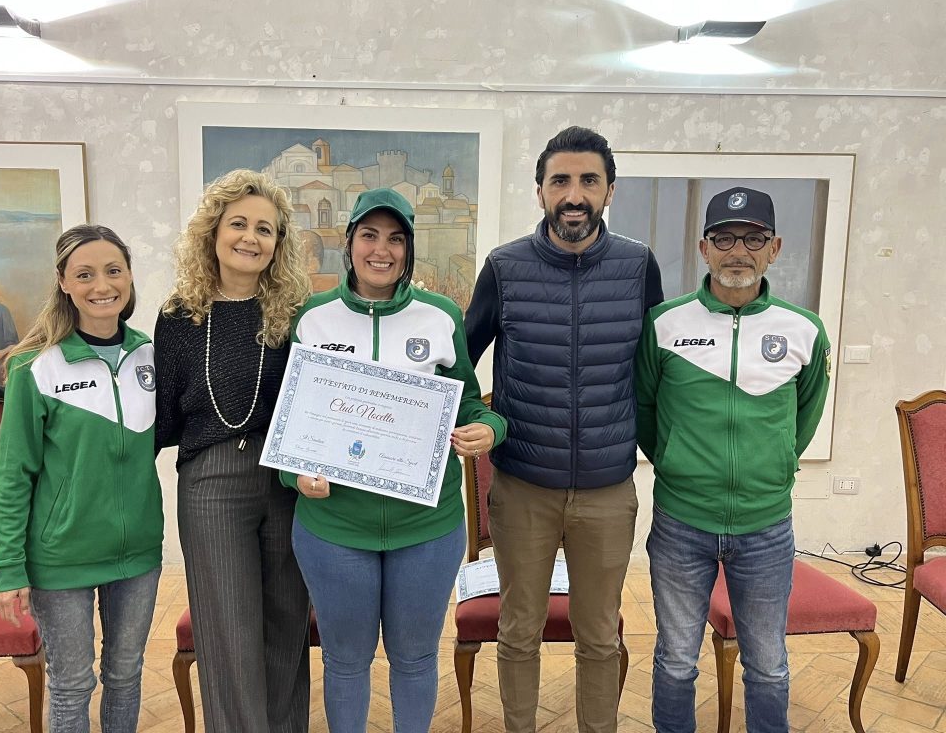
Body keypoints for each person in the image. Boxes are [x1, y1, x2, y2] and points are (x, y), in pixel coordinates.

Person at [280, 187, 506, 733]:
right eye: (369, 235)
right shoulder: (311, 318)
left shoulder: (440, 316)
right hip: (333, 528)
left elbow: (468, 402)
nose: (381, 250)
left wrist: (490, 429)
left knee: (416, 659)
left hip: (427, 529)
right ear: (349, 243)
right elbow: (288, 417)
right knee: (345, 662)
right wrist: (293, 474)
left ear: (409, 249)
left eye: (396, 239)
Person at [465, 126, 663, 733]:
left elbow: (657, 371)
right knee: (518, 631)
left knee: (600, 635)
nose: (574, 195)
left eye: (588, 181)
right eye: (560, 181)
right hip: (523, 487)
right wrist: (484, 422)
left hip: (607, 491)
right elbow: (459, 364)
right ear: (540, 191)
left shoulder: (638, 266)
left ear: (609, 191)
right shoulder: (504, 268)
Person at [636, 187, 831, 733]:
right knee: (676, 660)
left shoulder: (804, 330)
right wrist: (674, 461)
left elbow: (805, 416)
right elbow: (644, 408)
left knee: (767, 665)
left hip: (766, 527)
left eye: (753, 238)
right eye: (723, 238)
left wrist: (775, 463)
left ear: (775, 248)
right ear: (704, 248)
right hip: (681, 523)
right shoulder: (665, 325)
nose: (738, 251)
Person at [155, 169, 313, 733]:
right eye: (238, 223)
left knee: (287, 624)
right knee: (227, 633)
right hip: (211, 481)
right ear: (213, 231)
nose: (250, 237)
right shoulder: (179, 316)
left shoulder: (298, 314)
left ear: (278, 243)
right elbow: (163, 415)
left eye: (265, 229)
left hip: (287, 480)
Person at [0, 225, 163, 733]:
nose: (102, 285)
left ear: (129, 276)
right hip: (61, 557)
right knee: (71, 686)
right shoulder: (34, 366)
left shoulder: (149, 355)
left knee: (126, 675)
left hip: (138, 554)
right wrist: (9, 566)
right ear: (64, 282)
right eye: (84, 274)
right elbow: (13, 474)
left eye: (113, 271)